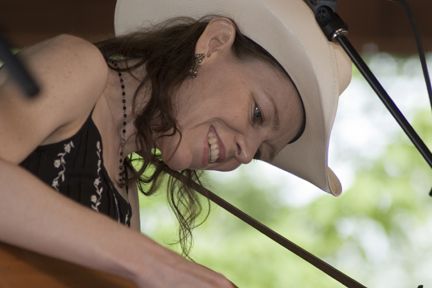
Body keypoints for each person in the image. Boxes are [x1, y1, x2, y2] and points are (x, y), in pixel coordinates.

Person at [0, 0, 351, 287]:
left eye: (260, 151)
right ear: (213, 45)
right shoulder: (80, 65)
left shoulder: (126, 198)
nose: (246, 153)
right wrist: (152, 262)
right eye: (257, 113)